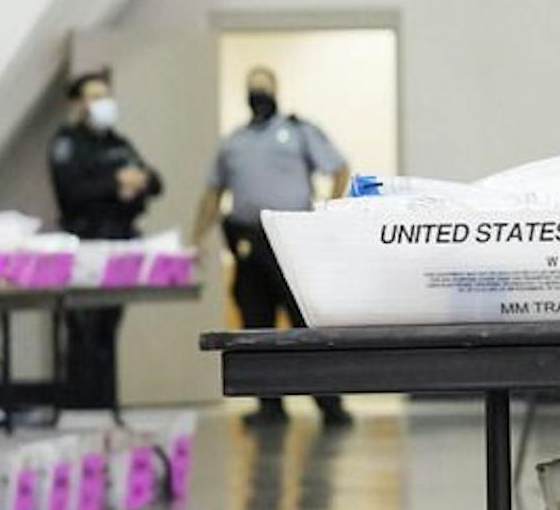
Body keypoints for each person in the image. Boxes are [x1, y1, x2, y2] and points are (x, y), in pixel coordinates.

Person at [190, 67, 354, 429]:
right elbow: (213, 193)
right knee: (256, 322)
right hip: (248, 241)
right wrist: (195, 237)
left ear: (276, 90)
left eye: (263, 88)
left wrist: (329, 213)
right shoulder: (233, 142)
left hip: (292, 241)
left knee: (305, 324)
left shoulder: (298, 132)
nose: (258, 95)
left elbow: (339, 168)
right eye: (252, 90)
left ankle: (330, 405)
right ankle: (269, 406)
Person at [48, 68, 162, 409]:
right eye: (95, 97)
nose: (103, 103)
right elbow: (70, 192)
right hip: (84, 243)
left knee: (107, 331)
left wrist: (137, 182)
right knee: (83, 330)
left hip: (120, 243)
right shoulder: (68, 143)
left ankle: (106, 405)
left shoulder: (119, 143)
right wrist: (116, 185)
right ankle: (83, 407)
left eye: (106, 96)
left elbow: (154, 181)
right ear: (78, 103)